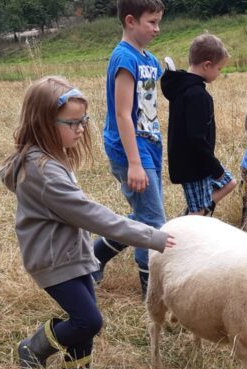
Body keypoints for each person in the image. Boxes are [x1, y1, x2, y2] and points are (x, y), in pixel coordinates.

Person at [0, 76, 175, 369]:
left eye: (85, 120)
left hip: (70, 255)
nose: (81, 128)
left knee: (85, 321)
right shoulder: (44, 171)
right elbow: (92, 216)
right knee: (88, 321)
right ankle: (34, 347)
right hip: (53, 262)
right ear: (44, 123)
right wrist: (152, 236)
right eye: (73, 122)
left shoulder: (51, 159)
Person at [91, 0, 166, 295]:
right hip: (129, 148)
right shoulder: (125, 59)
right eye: (152, 22)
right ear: (131, 21)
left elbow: (149, 103)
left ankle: (96, 254)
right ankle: (152, 291)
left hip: (150, 144)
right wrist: (134, 163)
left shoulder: (148, 58)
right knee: (154, 221)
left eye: (159, 21)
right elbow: (123, 114)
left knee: (146, 214)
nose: (157, 29)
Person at [161, 33, 236, 217]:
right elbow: (196, 138)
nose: (219, 73)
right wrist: (215, 169)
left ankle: (193, 217)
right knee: (198, 212)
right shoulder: (197, 95)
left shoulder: (185, 88)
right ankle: (185, 229)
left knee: (230, 183)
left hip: (197, 162)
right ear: (207, 65)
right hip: (194, 166)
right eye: (219, 68)